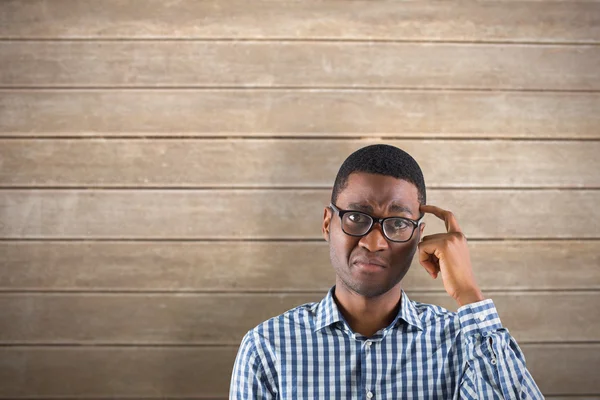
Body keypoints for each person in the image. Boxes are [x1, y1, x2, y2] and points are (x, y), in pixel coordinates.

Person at [230, 144, 543, 399]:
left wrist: (468, 293)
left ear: (419, 236)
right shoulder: (267, 347)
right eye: (356, 217)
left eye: (397, 223)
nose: (374, 242)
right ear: (328, 223)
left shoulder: (464, 344)